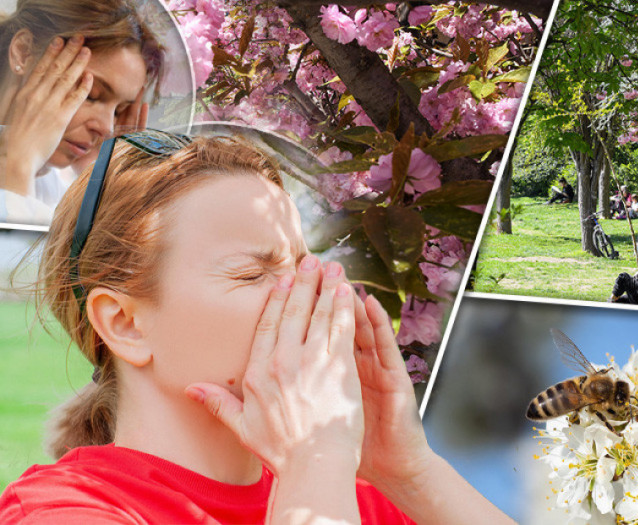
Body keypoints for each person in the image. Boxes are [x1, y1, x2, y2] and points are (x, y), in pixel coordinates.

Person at [0, 131, 514, 524]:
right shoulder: (64, 510)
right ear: (126, 324)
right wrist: (316, 458)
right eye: (252, 272)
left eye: (303, 263)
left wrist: (410, 473)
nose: (311, 290)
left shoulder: (354, 491)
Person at [0, 0, 162, 225]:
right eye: (90, 94)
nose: (107, 128)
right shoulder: (24, 171)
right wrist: (18, 168)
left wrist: (102, 190)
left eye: (118, 111)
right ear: (23, 52)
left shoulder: (51, 184)